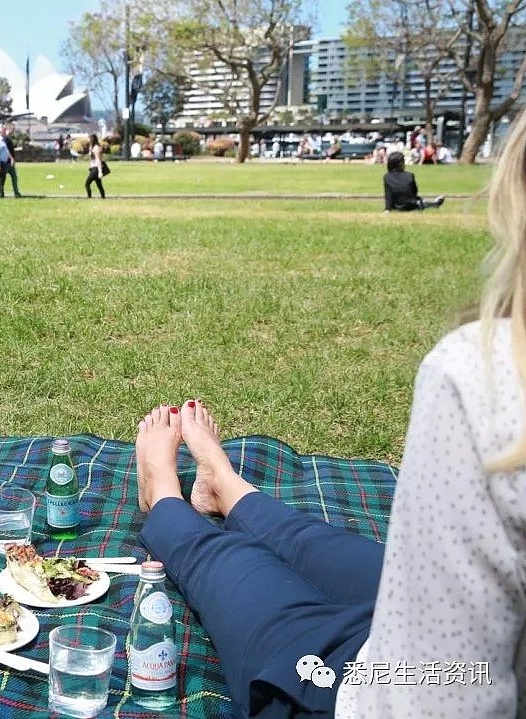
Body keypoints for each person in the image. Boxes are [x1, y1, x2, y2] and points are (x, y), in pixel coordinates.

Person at [135, 106, 526, 719]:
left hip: (382, 694)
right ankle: (229, 486)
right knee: (304, 539)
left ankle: (164, 497)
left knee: (229, 560)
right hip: (457, 648)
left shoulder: (490, 370)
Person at [84, 133, 106, 199]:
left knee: (87, 183)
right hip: (93, 168)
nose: (89, 140)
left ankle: (89, 197)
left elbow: (98, 160)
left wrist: (100, 171)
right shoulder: (93, 147)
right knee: (99, 185)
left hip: (96, 168)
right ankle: (103, 197)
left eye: (90, 139)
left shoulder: (96, 148)